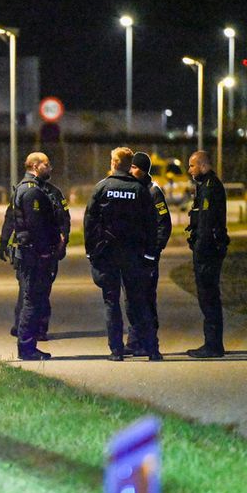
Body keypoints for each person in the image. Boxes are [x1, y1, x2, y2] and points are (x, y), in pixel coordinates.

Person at [84, 147, 159, 361]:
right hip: (133, 254)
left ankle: (116, 351)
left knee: (111, 301)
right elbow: (151, 224)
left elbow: (90, 222)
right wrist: (150, 254)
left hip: (107, 254)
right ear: (129, 164)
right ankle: (152, 350)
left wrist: (91, 252)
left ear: (114, 163)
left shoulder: (102, 188)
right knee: (139, 301)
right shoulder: (140, 189)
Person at [0, 153, 69, 341]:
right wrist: (3, 241)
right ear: (36, 166)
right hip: (37, 251)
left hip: (45, 251)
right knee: (30, 292)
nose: (51, 168)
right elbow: (14, 218)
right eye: (47, 164)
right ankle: (25, 330)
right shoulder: (30, 191)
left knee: (39, 291)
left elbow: (63, 220)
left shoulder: (53, 192)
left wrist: (63, 242)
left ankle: (36, 329)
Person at [126, 151, 171, 358]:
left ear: (143, 170)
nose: (131, 170)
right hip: (132, 255)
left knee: (147, 299)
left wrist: (155, 250)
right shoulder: (132, 190)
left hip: (148, 256)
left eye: (135, 167)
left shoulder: (153, 192)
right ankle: (135, 341)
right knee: (131, 299)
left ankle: (150, 342)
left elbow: (164, 224)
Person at [185, 150, 230, 357]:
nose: (189, 170)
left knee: (208, 296)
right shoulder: (204, 186)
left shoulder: (211, 188)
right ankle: (212, 343)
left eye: (192, 166)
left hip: (208, 250)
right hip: (205, 249)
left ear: (203, 165)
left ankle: (213, 345)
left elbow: (207, 222)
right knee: (206, 296)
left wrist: (201, 248)